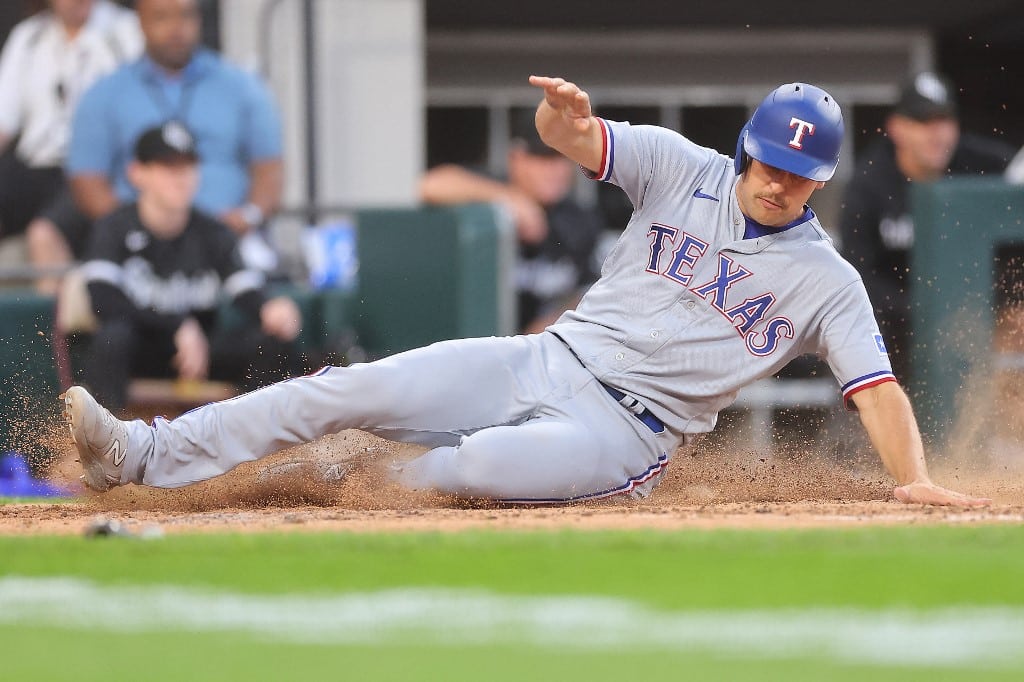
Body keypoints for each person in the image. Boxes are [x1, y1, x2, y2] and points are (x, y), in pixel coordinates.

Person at [61, 75, 989, 508]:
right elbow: (572, 141)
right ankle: (141, 455)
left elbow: (878, 390)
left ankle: (320, 488)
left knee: (473, 471)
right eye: (773, 161)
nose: (782, 181)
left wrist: (914, 479)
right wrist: (563, 117)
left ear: (821, 179)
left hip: (628, 429)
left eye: (802, 172)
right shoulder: (682, 167)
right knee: (343, 389)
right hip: (546, 357)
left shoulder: (828, 282)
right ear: (748, 146)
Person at [47, 0, 284, 281]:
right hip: (138, 249)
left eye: (185, 15)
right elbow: (87, 181)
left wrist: (248, 216)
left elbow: (270, 169)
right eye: (161, 17)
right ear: (140, 23)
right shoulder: (105, 94)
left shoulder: (241, 86)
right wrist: (135, 228)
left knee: (267, 300)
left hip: (226, 239)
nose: (176, 28)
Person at [77, 121, 302, 414]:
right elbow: (103, 301)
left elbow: (243, 288)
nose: (180, 178)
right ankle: (106, 447)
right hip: (143, 348)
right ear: (138, 173)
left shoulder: (212, 232)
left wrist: (269, 309)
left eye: (188, 166)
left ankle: (258, 444)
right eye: (167, 167)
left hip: (201, 353)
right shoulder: (113, 228)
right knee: (113, 337)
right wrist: (176, 324)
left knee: (273, 342)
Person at [839, 71, 1016, 382]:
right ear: (896, 128)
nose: (938, 133)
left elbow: (1018, 172)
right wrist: (925, 310)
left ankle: (997, 428)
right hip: (894, 324)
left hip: (969, 320)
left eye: (945, 121)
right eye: (923, 122)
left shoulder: (979, 160)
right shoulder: (869, 183)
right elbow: (857, 275)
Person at [419, 111, 605, 333]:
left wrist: (557, 320)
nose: (555, 169)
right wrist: (510, 199)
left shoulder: (580, 220)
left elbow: (590, 290)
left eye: (562, 158)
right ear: (517, 158)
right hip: (469, 341)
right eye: (543, 158)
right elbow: (430, 185)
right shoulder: (493, 188)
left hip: (536, 351)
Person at [0, 0, 141, 292]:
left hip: (95, 168)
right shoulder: (28, 37)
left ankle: (49, 334)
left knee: (45, 233)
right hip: (35, 163)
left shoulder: (126, 30)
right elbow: (4, 122)